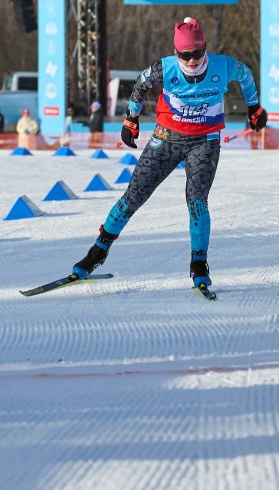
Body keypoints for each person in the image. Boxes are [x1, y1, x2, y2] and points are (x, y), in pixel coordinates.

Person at [66, 17, 266, 294]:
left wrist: (254, 107)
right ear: (176, 53)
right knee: (133, 197)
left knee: (197, 201)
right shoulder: (164, 68)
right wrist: (130, 119)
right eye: (186, 55)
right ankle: (97, 252)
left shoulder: (224, 65)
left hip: (204, 141)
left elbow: (245, 76)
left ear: (205, 48)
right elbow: (140, 85)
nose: (193, 61)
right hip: (166, 138)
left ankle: (199, 265)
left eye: (197, 54)